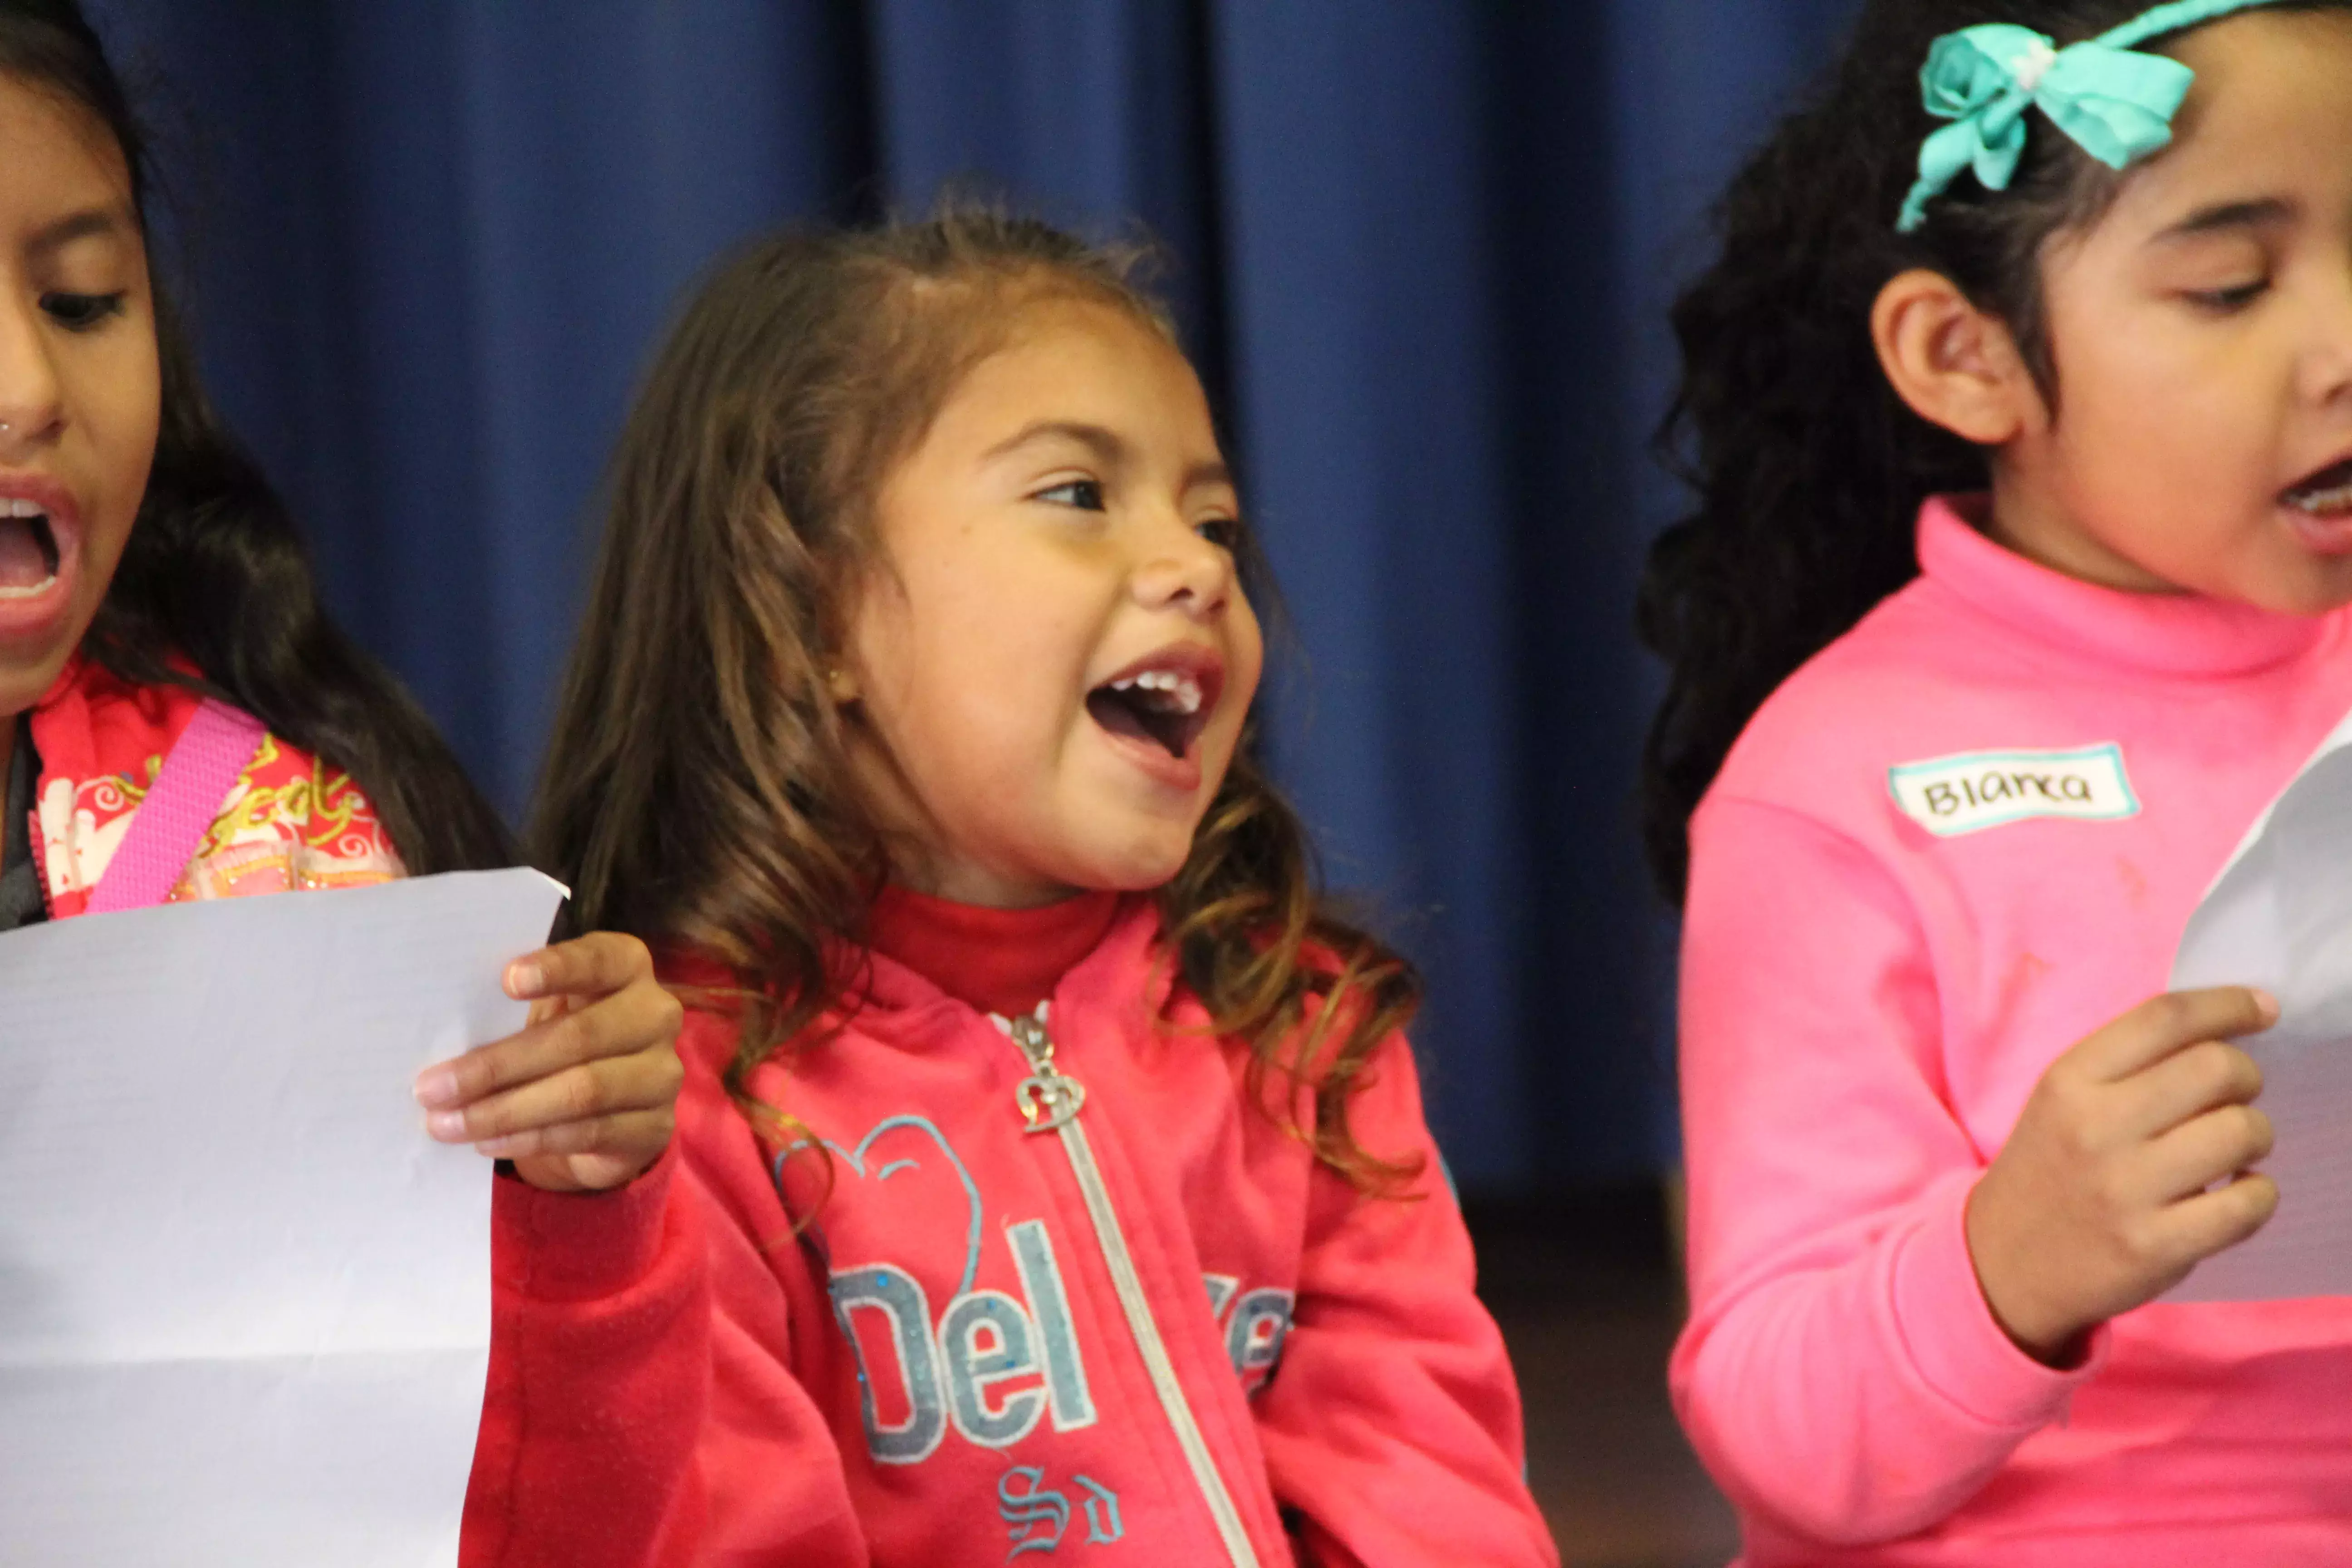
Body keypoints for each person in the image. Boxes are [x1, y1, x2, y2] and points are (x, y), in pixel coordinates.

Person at [533, 209, 1558, 1567]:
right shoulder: (689, 1099)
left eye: (1214, 521)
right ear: (806, 618)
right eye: (1078, 495)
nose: (1199, 564)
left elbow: (1433, 1495)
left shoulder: (1299, 1030)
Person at [1641, 0, 2352, 1560]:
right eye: (2232, 288)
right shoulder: (1833, 788)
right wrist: (2010, 1264)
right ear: (1967, 358)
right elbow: (1780, 1429)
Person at [0, 4, 701, 1561]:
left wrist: (589, 1215)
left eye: (85, 297)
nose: (29, 383)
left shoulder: (289, 853)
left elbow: (556, 1526)